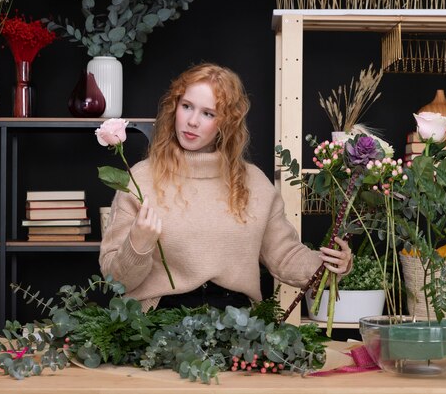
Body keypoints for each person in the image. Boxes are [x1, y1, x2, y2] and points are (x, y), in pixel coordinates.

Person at [99, 63, 352, 312]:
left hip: (237, 325)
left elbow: (284, 255)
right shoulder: (141, 179)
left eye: (208, 113)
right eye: (186, 107)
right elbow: (116, 279)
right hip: (160, 325)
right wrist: (138, 244)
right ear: (174, 108)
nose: (192, 121)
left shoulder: (253, 182)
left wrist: (327, 266)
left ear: (226, 122)